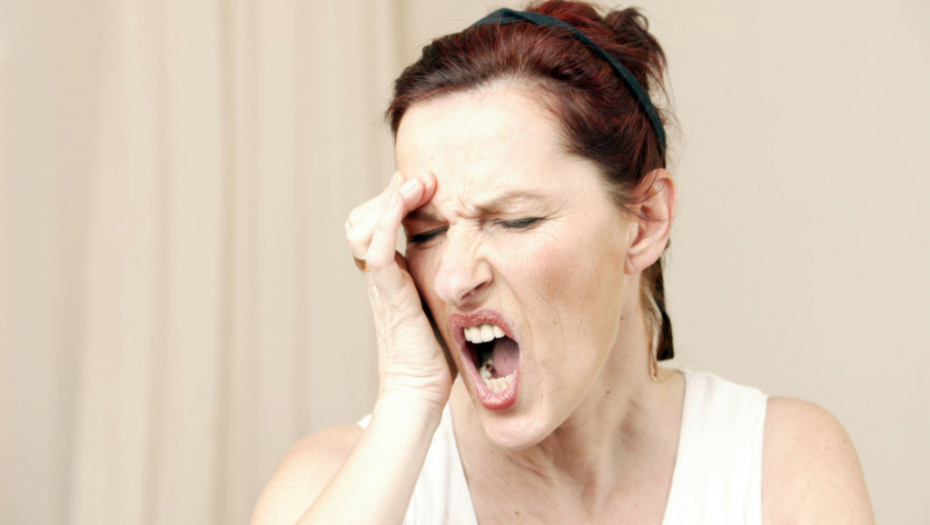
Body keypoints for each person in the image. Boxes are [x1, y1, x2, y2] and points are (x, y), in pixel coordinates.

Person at [250, 2, 875, 524]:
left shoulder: (781, 466)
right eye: (428, 231)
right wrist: (410, 397)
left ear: (645, 222)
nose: (453, 278)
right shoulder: (329, 482)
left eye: (515, 219)